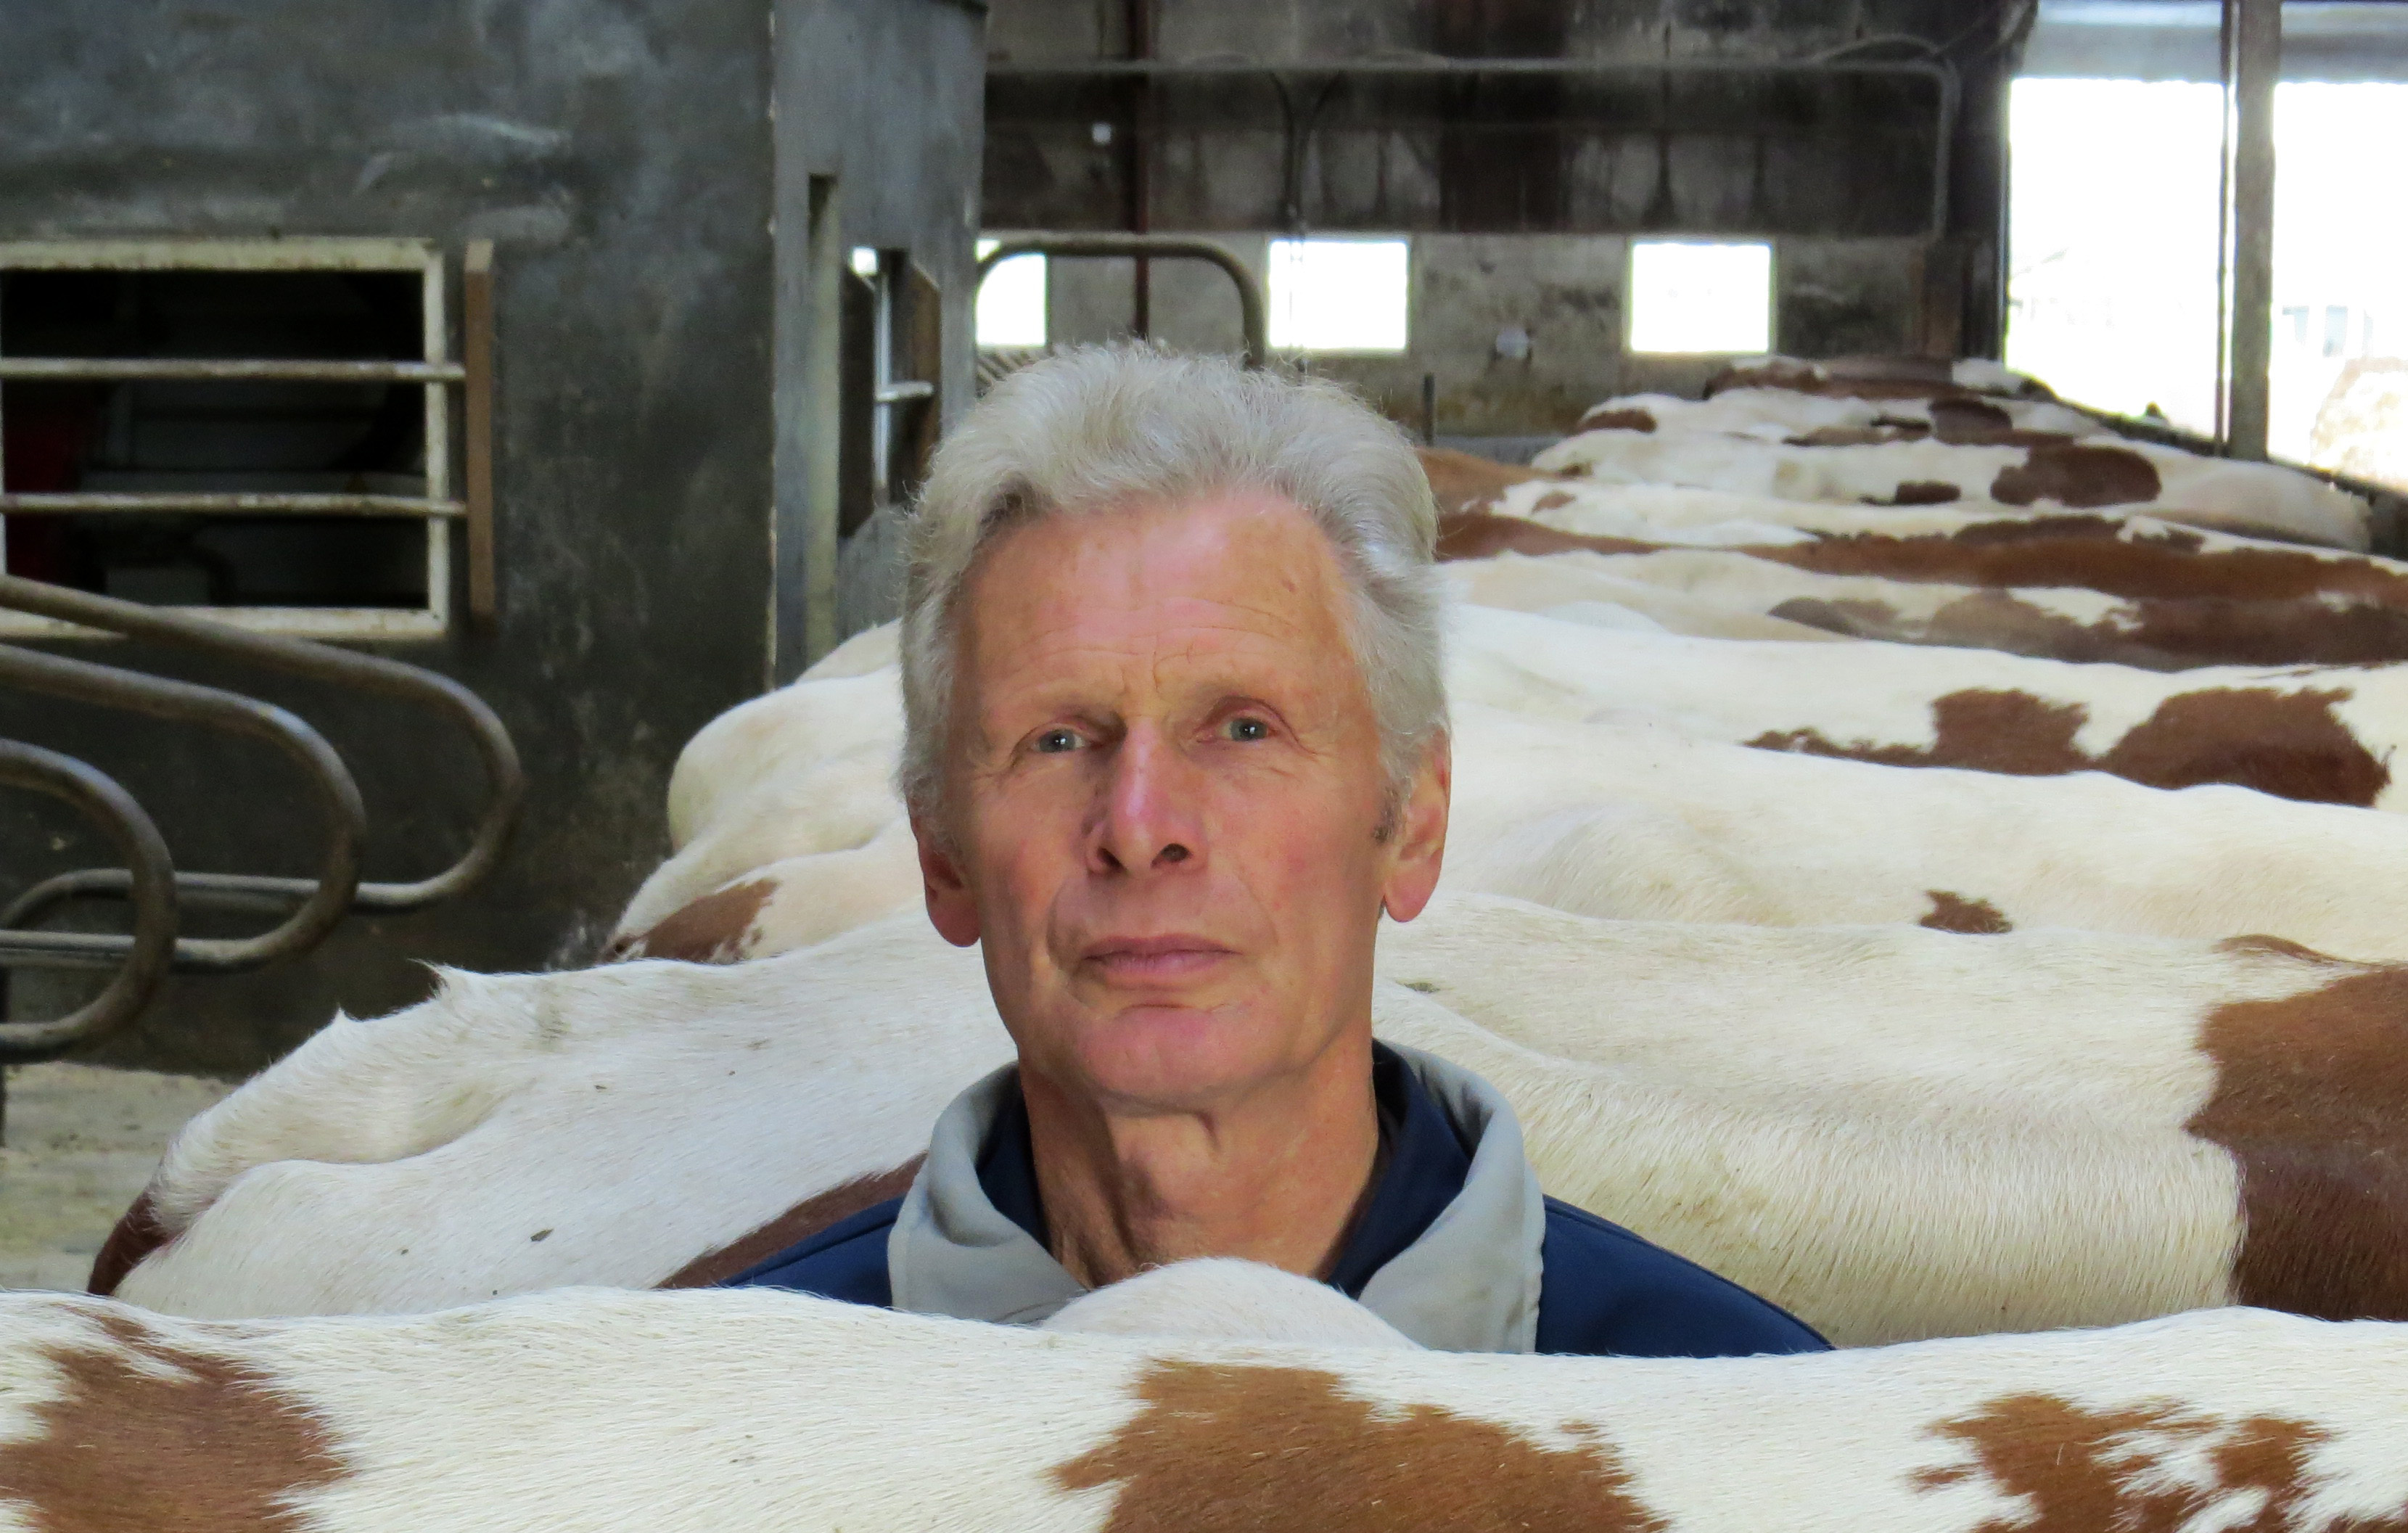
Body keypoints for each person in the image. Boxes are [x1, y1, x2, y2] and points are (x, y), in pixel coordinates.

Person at [735, 345, 1824, 1357]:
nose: (1140, 825)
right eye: (1056, 739)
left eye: (1245, 729)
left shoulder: (1737, 1414)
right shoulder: (732, 1408)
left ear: (1413, 820)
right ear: (942, 852)